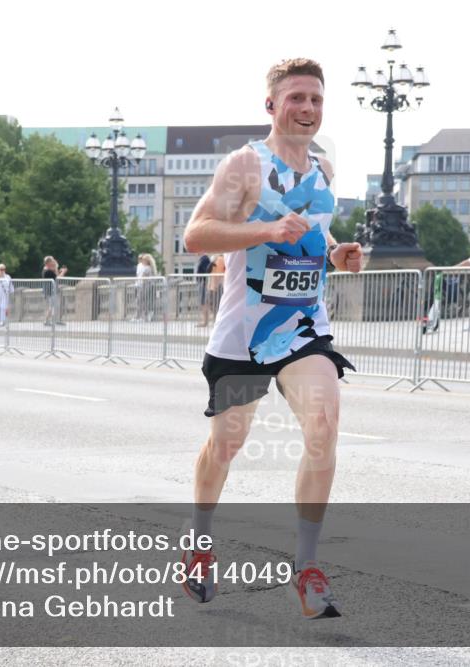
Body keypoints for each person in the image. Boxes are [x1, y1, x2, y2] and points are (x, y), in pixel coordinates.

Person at [181, 57, 362, 619]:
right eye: (296, 99)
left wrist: (337, 252)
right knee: (226, 446)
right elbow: (195, 236)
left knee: (326, 422)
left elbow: (310, 232)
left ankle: (306, 567)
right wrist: (264, 229)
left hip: (303, 327)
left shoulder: (325, 170)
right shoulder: (245, 165)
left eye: (315, 99)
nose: (307, 109)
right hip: (243, 336)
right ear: (272, 106)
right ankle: (200, 541)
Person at [41, 255, 67, 325]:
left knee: (55, 306)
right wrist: (63, 272)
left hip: (51, 290)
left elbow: (56, 274)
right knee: (52, 306)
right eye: (52, 260)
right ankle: (47, 321)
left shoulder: (48, 269)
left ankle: (55, 320)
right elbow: (58, 277)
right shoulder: (47, 271)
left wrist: (56, 267)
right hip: (50, 291)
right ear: (48, 262)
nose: (53, 261)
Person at [135, 253, 158, 321]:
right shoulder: (151, 268)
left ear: (147, 261)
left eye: (143, 260)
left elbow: (143, 277)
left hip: (144, 286)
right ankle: (146, 316)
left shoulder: (147, 268)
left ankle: (141, 317)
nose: (142, 261)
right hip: (149, 286)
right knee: (147, 301)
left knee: (141, 301)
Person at [195, 254, 212, 327]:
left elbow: (205, 271)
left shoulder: (204, 259)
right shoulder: (204, 259)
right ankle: (205, 321)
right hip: (204, 283)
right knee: (204, 303)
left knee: (203, 303)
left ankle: (205, 322)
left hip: (203, 283)